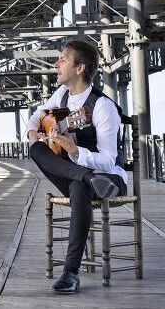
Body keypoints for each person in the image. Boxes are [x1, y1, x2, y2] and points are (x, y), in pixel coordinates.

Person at [26, 39, 127, 294]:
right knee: (36, 148)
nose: (56, 64)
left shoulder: (103, 107)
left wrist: (76, 151)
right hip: (82, 174)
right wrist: (32, 131)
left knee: (78, 189)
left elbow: (108, 160)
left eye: (63, 59)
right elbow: (39, 114)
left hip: (109, 179)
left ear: (79, 68)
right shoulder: (61, 95)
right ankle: (85, 179)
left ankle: (70, 273)